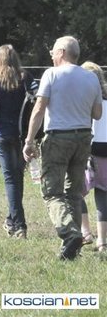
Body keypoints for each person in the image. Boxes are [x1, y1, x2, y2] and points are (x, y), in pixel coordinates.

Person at [22, 36, 102, 260]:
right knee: (74, 193)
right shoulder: (91, 77)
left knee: (52, 193)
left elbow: (39, 108)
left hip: (58, 138)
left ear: (62, 52)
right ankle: (73, 250)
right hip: (83, 138)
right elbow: (97, 114)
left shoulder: (51, 74)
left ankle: (70, 233)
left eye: (53, 52)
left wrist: (29, 140)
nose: (51, 56)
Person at [0, 45, 37, 240]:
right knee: (17, 177)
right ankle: (11, 219)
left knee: (10, 179)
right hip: (23, 135)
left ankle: (19, 225)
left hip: (2, 135)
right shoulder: (27, 78)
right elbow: (38, 102)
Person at [78, 61, 107, 254]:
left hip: (88, 149)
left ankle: (85, 232)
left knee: (75, 191)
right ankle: (102, 241)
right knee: (103, 195)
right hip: (106, 150)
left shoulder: (83, 101)